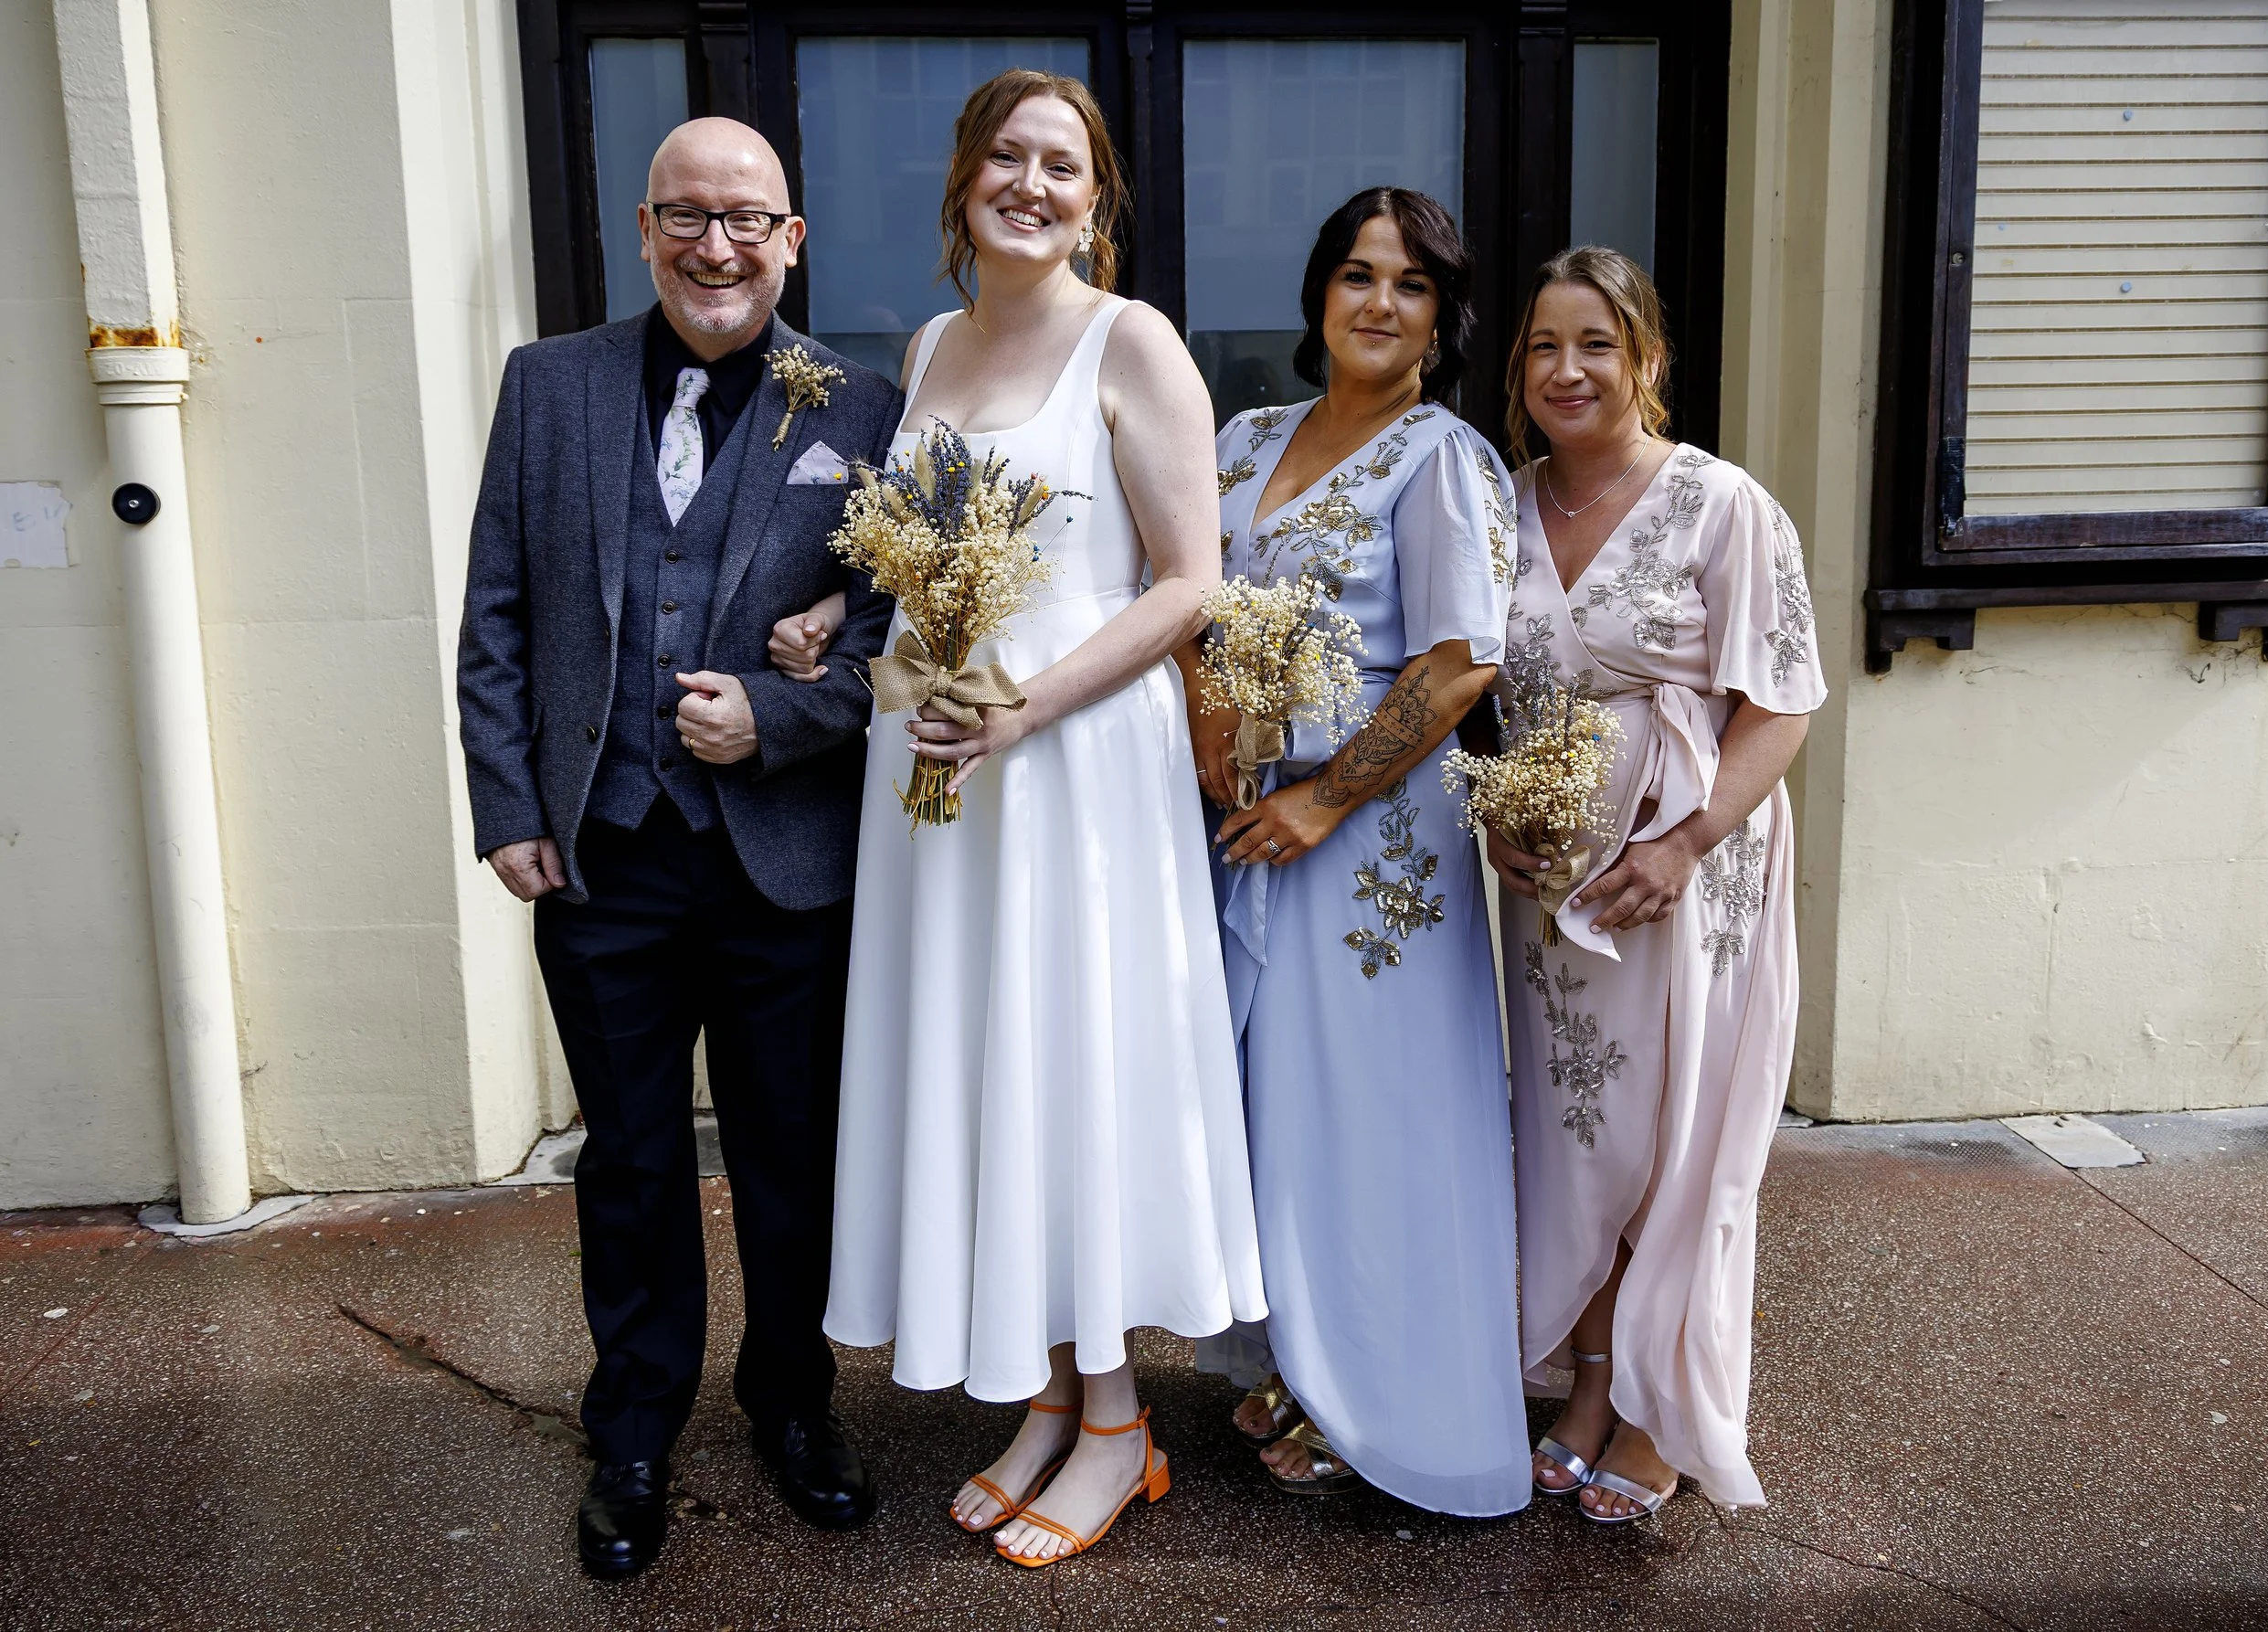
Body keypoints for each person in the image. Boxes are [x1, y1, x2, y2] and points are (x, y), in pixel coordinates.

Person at [790, 69, 1266, 1568]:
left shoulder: (1135, 343)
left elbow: (1188, 583)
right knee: (991, 1063)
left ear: (1096, 199)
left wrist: (1028, 709)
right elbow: (919, 559)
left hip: (1071, 763)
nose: (1032, 183)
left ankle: (1121, 1424)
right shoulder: (929, 345)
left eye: (1063, 164)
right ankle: (1054, 1400)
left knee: (1071, 1061)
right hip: (937, 763)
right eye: (1007, 155)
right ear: (964, 179)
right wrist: (840, 621)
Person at [456, 117, 901, 1578]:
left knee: (788, 1153)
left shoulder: (864, 406)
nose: (719, 246)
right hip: (603, 854)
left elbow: (904, 638)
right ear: (644, 229)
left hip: (785, 859)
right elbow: (498, 610)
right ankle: (635, 1427)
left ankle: (793, 1403)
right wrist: (510, 804)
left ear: (792, 240)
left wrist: (780, 713)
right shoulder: (548, 385)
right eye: (689, 217)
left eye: (747, 219)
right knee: (633, 1159)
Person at [1185, 187, 1534, 1517]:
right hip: (1240, 817)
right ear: (1318, 293)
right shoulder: (1243, 438)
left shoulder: (1444, 458)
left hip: (1372, 840)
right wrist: (1208, 713)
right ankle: (1298, 1361)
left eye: (1411, 283)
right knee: (1275, 1101)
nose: (1379, 302)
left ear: (1443, 319)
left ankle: (1389, 1396)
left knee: (1376, 1111)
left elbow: (1459, 663)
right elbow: (1183, 600)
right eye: (1356, 274)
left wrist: (1326, 798)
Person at [1487, 246, 1825, 1524]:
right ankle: (1588, 1379)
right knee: (1575, 1138)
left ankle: (1657, 1405)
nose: (1566, 369)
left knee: (1673, 1137)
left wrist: (1684, 842)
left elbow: (1782, 700)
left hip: (1686, 877)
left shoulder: (1722, 503)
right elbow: (1483, 689)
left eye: (1596, 344)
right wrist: (1499, 817)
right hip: (1549, 887)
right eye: (1543, 345)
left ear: (1647, 358)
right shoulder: (1502, 501)